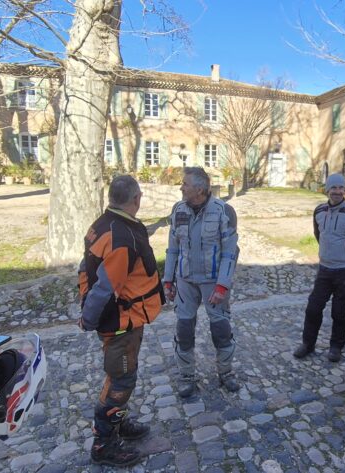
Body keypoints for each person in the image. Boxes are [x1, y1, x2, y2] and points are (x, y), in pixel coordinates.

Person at [78, 175, 165, 467]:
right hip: (120, 324)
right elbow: (105, 287)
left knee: (125, 377)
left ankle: (118, 423)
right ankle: (103, 444)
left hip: (129, 320)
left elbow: (86, 265)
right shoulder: (121, 237)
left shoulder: (106, 223)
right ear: (136, 199)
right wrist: (88, 319)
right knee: (120, 381)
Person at [163, 167, 241, 397]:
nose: (181, 187)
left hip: (213, 282)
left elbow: (230, 252)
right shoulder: (178, 210)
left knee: (220, 329)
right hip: (186, 281)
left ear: (199, 189)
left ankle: (226, 372)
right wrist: (168, 280)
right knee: (184, 329)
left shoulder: (224, 211)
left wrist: (222, 285)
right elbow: (172, 248)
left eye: (185, 184)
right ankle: (187, 376)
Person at [293, 173, 345, 362]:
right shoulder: (319, 211)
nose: (337, 192)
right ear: (327, 190)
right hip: (325, 269)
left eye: (340, 188)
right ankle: (308, 344)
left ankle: (336, 346)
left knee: (339, 311)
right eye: (333, 188)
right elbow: (319, 235)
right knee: (313, 308)